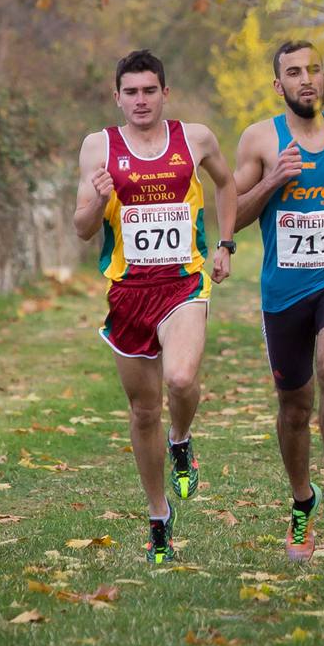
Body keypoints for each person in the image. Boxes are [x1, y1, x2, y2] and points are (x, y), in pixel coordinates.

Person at [71, 49, 236, 564]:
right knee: (143, 411)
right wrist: (98, 200)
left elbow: (228, 183)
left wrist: (224, 243)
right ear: (116, 96)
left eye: (149, 91)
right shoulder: (99, 147)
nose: (140, 101)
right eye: (130, 92)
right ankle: (158, 512)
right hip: (128, 293)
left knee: (181, 380)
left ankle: (182, 438)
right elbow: (81, 228)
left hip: (184, 283)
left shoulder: (196, 138)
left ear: (165, 93)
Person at [229, 40, 324, 561]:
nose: (306, 79)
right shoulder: (259, 139)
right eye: (293, 72)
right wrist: (273, 180)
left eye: (313, 69)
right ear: (279, 85)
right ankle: (302, 503)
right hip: (283, 290)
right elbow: (234, 214)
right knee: (294, 409)